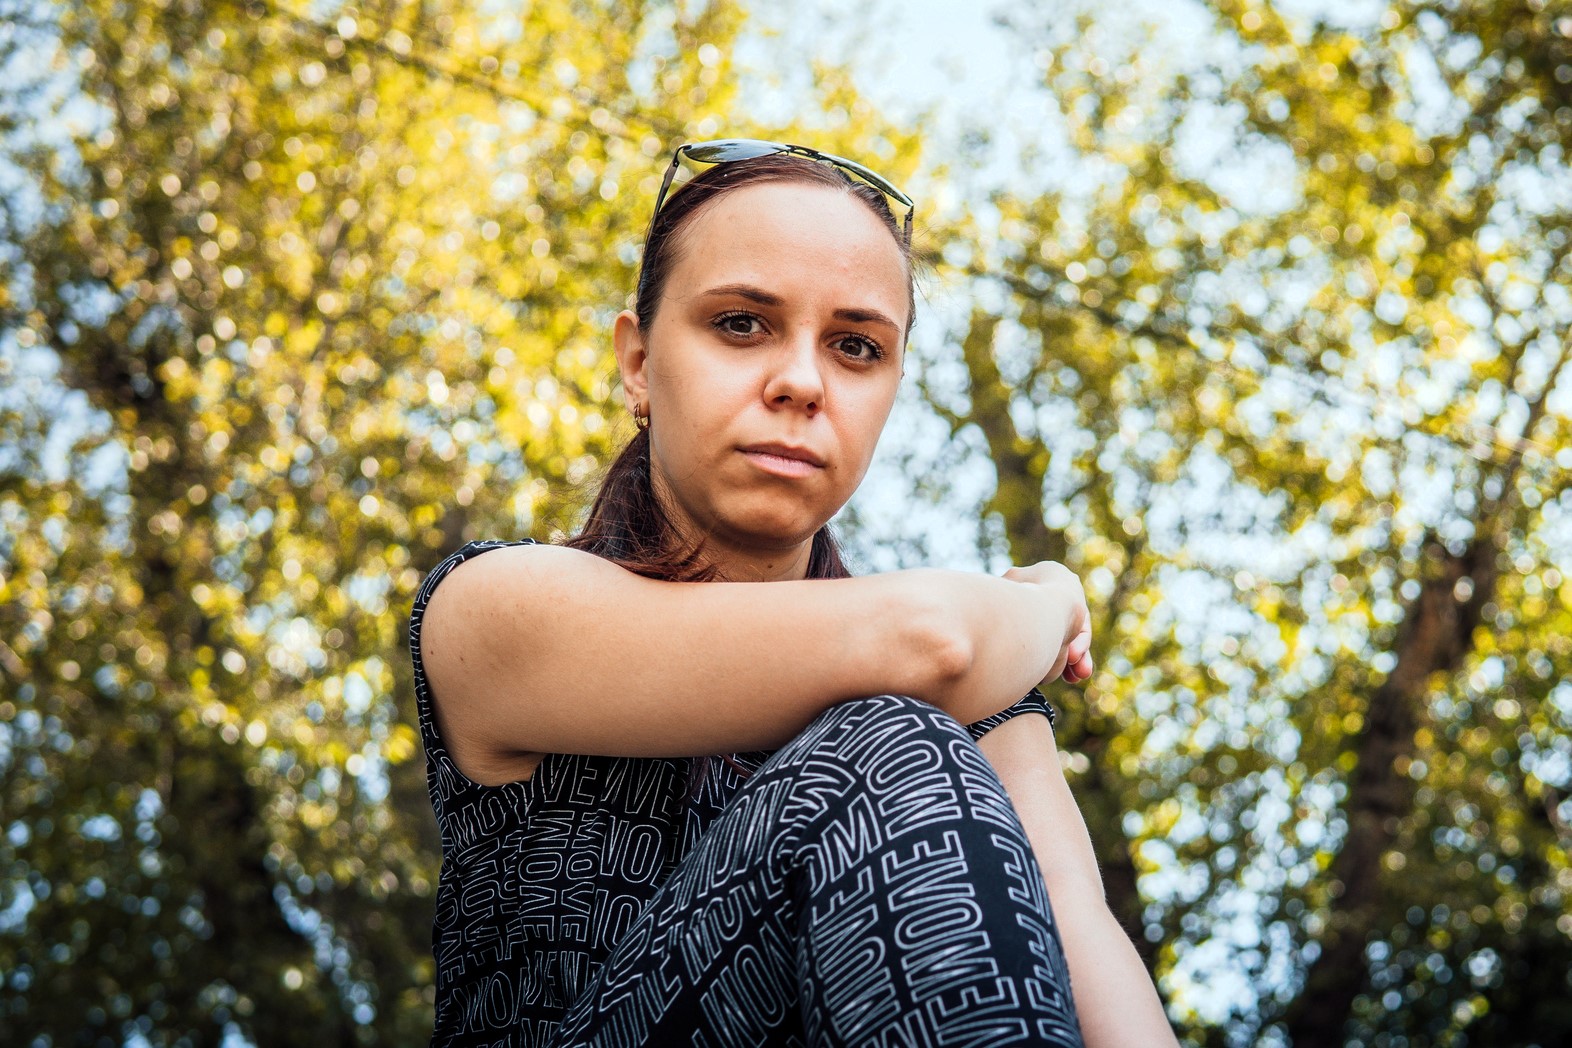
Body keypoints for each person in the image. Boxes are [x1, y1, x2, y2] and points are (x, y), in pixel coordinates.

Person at [409, 139, 1176, 1047]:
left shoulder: (978, 702)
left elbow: (1091, 966)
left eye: (856, 346)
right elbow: (934, 643)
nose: (802, 383)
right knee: (888, 740)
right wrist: (1053, 601)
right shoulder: (495, 606)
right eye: (741, 323)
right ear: (639, 363)